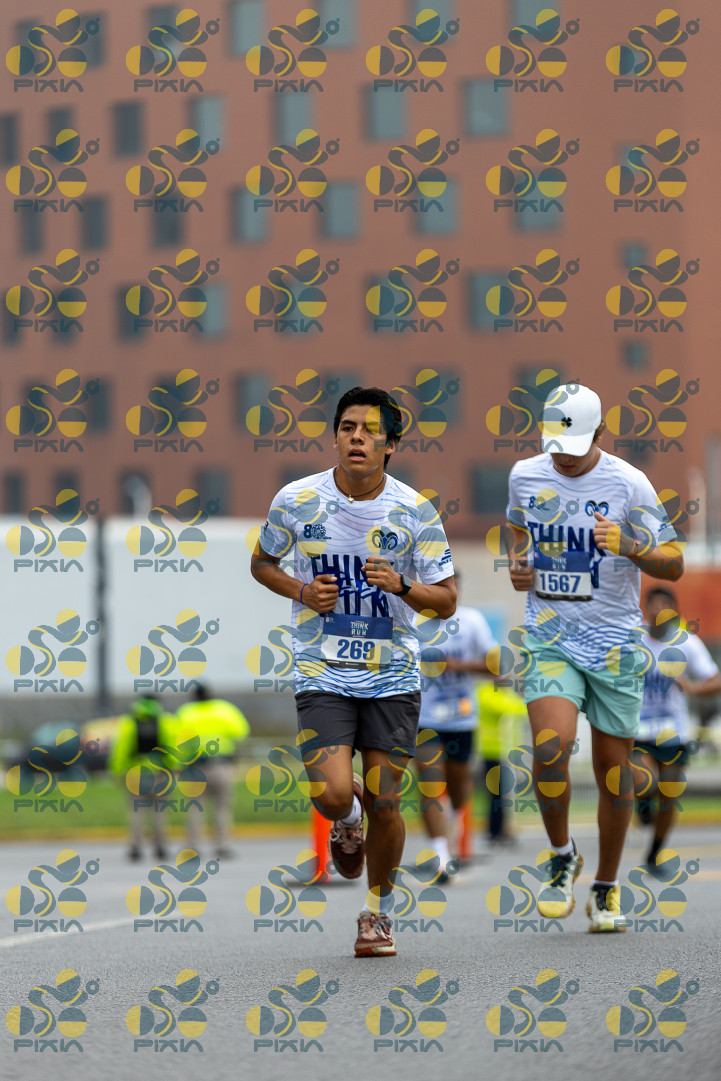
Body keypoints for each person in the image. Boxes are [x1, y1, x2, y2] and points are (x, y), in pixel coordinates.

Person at [251, 385, 456, 957]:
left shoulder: (415, 511)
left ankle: (377, 914)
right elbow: (262, 562)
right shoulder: (297, 499)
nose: (357, 438)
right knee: (331, 791)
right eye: (347, 428)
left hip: (392, 675)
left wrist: (403, 585)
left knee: (388, 799)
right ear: (336, 437)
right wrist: (301, 590)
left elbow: (447, 600)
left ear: (391, 445)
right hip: (322, 668)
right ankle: (346, 817)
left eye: (370, 430)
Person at [505, 383, 684, 932]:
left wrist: (631, 546)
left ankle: (605, 887)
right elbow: (516, 526)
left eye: (576, 447)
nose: (564, 457)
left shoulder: (630, 484)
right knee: (550, 745)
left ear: (601, 434)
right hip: (550, 635)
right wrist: (518, 561)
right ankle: (562, 855)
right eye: (557, 446)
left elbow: (674, 562)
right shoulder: (525, 475)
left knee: (613, 772)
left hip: (614, 644)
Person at [632, 587, 721, 868]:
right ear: (645, 609)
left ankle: (654, 851)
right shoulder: (632, 639)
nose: (659, 609)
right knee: (644, 781)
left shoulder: (687, 643)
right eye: (653, 604)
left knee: (670, 795)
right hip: (638, 729)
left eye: (665, 604)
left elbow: (715, 679)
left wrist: (693, 688)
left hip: (674, 732)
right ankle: (643, 802)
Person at [416, 574, 495, 878]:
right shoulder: (413, 620)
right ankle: (440, 854)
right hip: (424, 717)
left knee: (458, 788)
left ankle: (451, 822)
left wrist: (457, 665)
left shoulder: (472, 621)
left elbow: (496, 666)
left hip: (461, 717)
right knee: (430, 783)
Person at [176, 684, 250, 858]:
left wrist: (178, 765)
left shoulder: (185, 713)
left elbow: (176, 739)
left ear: (193, 696)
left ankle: (193, 845)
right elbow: (241, 732)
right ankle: (222, 845)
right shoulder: (224, 710)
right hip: (220, 765)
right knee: (222, 807)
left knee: (195, 807)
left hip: (195, 767)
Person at [109, 695, 177, 861]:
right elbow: (171, 747)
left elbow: (121, 749)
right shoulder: (165, 721)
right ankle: (160, 846)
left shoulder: (129, 723)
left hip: (135, 775)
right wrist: (174, 767)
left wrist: (117, 771)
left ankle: (135, 847)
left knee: (136, 812)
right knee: (159, 812)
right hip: (159, 773)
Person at [476, 680, 527, 848]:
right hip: (492, 751)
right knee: (496, 793)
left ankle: (504, 830)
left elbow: (521, 707)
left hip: (507, 751)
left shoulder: (505, 692)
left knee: (506, 793)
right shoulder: (485, 692)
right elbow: (509, 707)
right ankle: (494, 831)